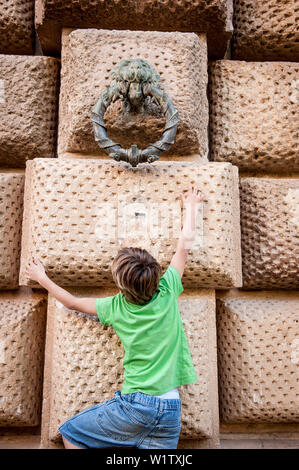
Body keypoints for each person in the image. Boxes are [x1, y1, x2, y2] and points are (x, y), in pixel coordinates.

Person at [25, 185, 203, 449]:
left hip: (136, 406)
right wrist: (192, 207)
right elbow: (183, 248)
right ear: (156, 275)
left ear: (121, 288)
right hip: (171, 409)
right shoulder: (168, 289)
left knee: (71, 434)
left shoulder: (115, 308)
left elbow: (72, 301)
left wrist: (43, 279)